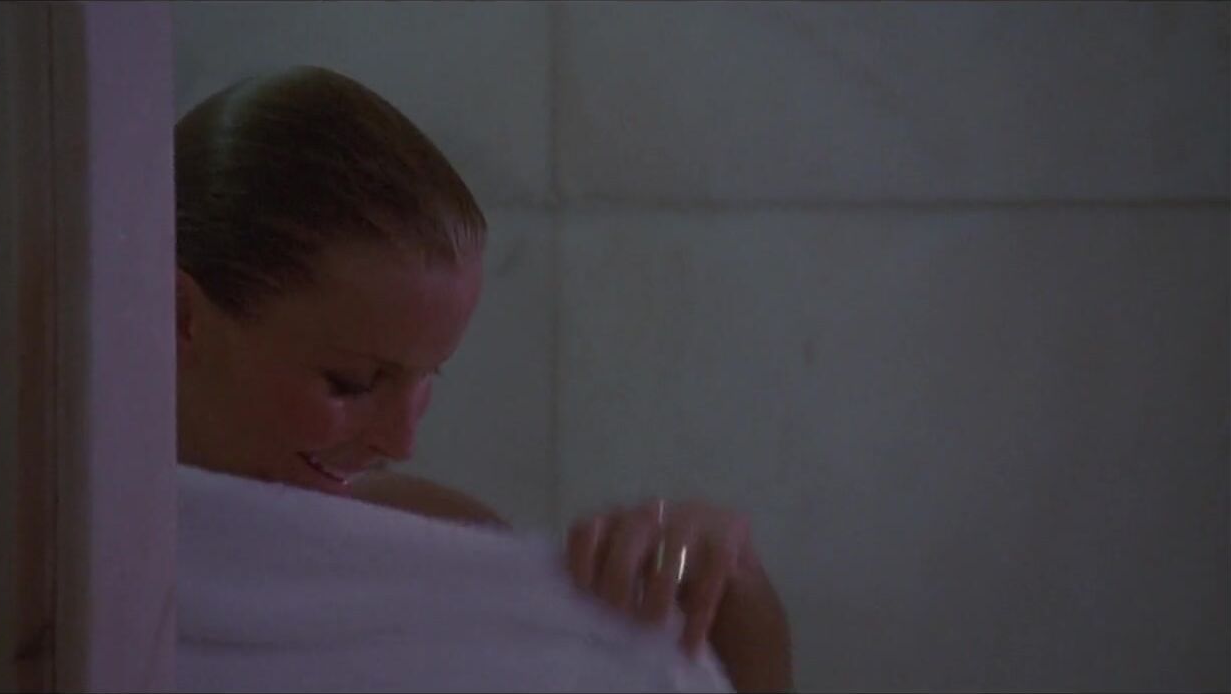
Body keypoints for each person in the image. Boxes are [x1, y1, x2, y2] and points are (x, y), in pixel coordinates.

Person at [174, 65, 792, 692]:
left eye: (427, 378)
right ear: (182, 318)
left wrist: (734, 604)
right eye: (353, 382)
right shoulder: (104, 553)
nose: (400, 442)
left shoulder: (438, 545)